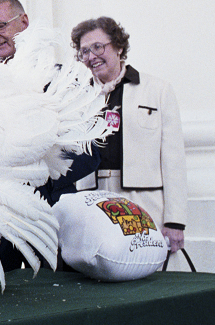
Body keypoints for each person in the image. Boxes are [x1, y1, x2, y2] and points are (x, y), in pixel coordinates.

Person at [0, 0, 99, 271]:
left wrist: (43, 181)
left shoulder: (65, 80)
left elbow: (91, 150)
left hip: (52, 216)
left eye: (0, 26)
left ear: (24, 23)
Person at [70, 16, 188, 269]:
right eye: (84, 51)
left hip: (145, 202)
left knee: (149, 276)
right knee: (104, 274)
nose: (91, 56)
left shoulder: (158, 90)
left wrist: (175, 222)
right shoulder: (78, 97)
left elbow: (174, 160)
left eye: (98, 47)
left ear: (119, 47)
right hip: (95, 202)